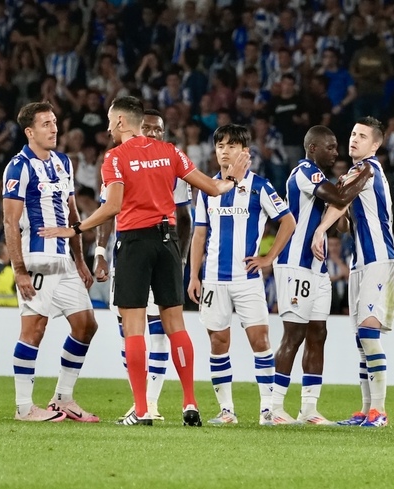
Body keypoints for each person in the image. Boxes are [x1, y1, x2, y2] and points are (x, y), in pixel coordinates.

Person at [40, 96, 248, 426]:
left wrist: (75, 228)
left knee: (134, 328)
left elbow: (112, 207)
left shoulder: (115, 158)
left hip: (135, 243)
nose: (107, 128)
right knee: (176, 326)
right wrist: (234, 179)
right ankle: (190, 404)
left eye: (110, 121)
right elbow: (212, 188)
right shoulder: (170, 152)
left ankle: (141, 410)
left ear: (122, 122)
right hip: (168, 243)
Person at [187, 124, 296, 426]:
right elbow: (198, 236)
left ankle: (267, 410)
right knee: (218, 343)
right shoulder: (207, 188)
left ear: (245, 152)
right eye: (220, 145)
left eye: (232, 146)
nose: (225, 151)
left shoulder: (260, 186)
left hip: (247, 280)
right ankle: (226, 411)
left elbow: (287, 221)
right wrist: (194, 276)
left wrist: (269, 258)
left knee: (260, 340)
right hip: (214, 279)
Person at [93, 109, 197, 424]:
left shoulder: (140, 160)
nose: (153, 134)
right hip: (155, 247)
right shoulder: (163, 160)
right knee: (147, 327)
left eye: (159, 129)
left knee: (150, 330)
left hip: (138, 247)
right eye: (148, 128)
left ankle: (146, 404)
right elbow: (107, 211)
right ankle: (178, 403)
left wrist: (179, 259)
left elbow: (185, 219)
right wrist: (100, 251)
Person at [3, 101, 99, 423]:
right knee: (34, 330)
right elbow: (9, 222)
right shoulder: (18, 167)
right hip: (36, 258)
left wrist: (80, 260)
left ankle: (63, 398)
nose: (54, 128)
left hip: (64, 260)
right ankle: (23, 407)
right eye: (46, 124)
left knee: (86, 325)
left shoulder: (62, 162)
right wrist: (19, 270)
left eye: (55, 122)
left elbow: (72, 215)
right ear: (30, 131)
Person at [271, 125, 370, 425]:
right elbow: (339, 198)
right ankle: (273, 408)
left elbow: (339, 221)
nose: (336, 152)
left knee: (318, 334)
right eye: (330, 147)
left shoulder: (320, 179)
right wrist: (363, 173)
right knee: (294, 335)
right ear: (313, 148)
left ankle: (309, 409)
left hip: (318, 268)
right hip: (295, 264)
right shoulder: (304, 171)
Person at [311, 117, 394, 428]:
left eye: (362, 136)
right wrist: (339, 220)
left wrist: (321, 228)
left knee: (369, 335)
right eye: (353, 133)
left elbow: (341, 202)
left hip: (380, 260)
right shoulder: (354, 172)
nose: (354, 139)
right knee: (361, 339)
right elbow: (346, 220)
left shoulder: (368, 168)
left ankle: (380, 410)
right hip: (361, 262)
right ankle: (365, 409)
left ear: (375, 145)